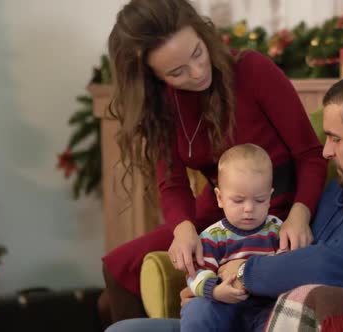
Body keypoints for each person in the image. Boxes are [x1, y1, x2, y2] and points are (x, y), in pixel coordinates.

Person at [104, 71, 343, 332]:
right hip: (244, 316)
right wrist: (211, 290)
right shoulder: (336, 193)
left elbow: (329, 264)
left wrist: (242, 273)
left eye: (335, 138)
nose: (326, 151)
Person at [100, 0, 327, 325]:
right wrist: (183, 230)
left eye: (197, 53)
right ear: (152, 76)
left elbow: (309, 155)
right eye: (177, 72)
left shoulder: (253, 70)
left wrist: (299, 216)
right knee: (117, 270)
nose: (197, 72)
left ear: (203, 35)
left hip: (274, 209)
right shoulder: (162, 104)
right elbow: (173, 183)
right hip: (217, 212)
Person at [184, 143, 287, 331]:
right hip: (223, 304)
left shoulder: (278, 230)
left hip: (265, 308)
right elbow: (196, 273)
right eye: (238, 200)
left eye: (260, 200)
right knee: (197, 309)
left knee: (282, 318)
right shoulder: (212, 236)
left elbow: (288, 267)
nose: (249, 208)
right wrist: (215, 291)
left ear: (270, 197)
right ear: (220, 198)